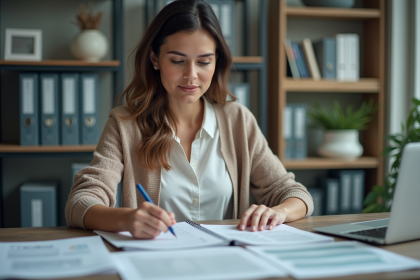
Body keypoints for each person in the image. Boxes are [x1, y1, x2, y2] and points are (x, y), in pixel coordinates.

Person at [65, 0, 313, 239]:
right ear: (155, 59)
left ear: (217, 62)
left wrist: (278, 211)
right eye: (177, 61)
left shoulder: (238, 120)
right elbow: (80, 201)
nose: (191, 75)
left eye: (204, 61)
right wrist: (127, 219)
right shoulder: (125, 124)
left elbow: (295, 194)